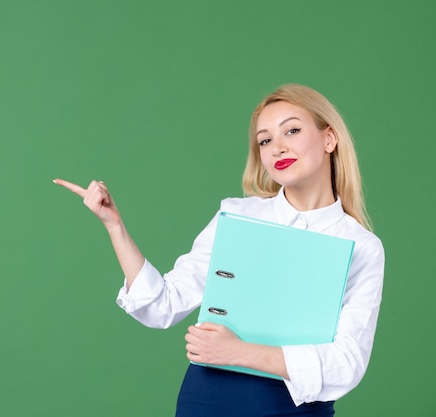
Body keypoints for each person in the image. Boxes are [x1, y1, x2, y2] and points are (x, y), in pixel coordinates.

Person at [53, 84, 385, 417]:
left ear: (329, 138)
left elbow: (347, 363)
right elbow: (162, 304)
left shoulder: (362, 247)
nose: (277, 148)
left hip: (295, 408)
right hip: (208, 400)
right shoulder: (237, 216)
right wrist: (115, 226)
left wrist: (238, 351)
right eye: (265, 140)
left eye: (292, 131)